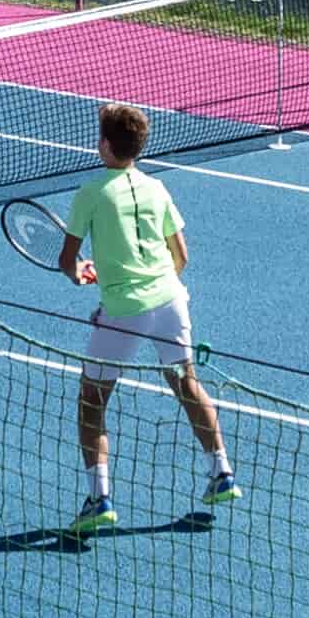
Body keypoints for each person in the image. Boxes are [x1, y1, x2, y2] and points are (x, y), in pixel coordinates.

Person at [57, 103, 238, 535]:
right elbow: (181, 256)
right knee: (186, 382)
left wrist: (85, 276)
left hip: (123, 310)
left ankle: (99, 499)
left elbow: (67, 261)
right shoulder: (157, 188)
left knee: (92, 399)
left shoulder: (90, 192)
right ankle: (222, 472)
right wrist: (143, 283)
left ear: (105, 145)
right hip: (171, 299)